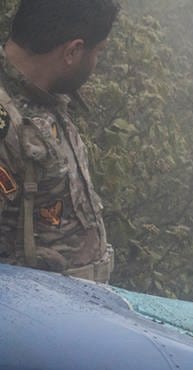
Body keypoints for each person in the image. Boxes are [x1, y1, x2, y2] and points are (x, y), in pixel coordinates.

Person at [0, 0, 119, 281]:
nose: (96, 63)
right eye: (97, 52)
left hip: (71, 309)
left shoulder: (44, 97)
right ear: (73, 51)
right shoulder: (6, 124)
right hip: (28, 316)